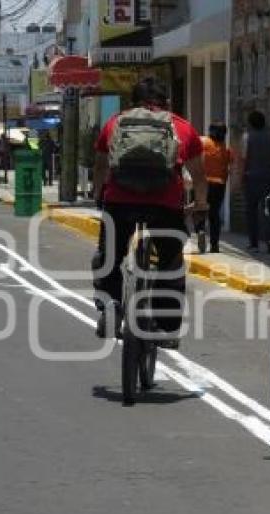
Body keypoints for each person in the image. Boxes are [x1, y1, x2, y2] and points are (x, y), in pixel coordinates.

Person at [91, 77, 208, 346]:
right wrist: (201, 204)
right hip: (165, 204)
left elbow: (100, 167)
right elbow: (200, 176)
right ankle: (166, 328)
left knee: (108, 255)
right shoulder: (183, 127)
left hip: (120, 201)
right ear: (166, 102)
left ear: (132, 101)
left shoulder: (114, 123)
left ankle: (111, 305)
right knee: (170, 262)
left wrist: (99, 195)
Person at [240, 110, 270, 253]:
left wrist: (242, 176)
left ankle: (254, 244)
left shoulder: (247, 137)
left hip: (252, 178)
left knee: (251, 211)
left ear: (250, 124)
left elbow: (244, 159)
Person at [195, 122, 232, 254]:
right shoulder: (225, 149)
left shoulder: (202, 141)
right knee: (214, 214)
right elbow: (228, 166)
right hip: (219, 185)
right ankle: (214, 244)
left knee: (200, 209)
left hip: (202, 183)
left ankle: (200, 231)